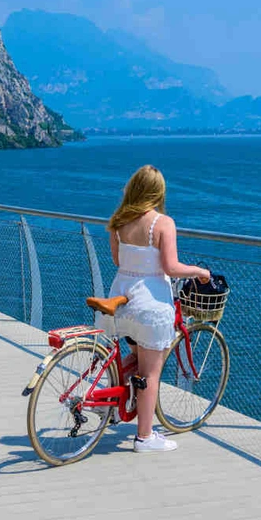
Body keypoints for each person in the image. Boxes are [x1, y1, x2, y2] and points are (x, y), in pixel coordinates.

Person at [100, 165, 211, 453]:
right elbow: (171, 268)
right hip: (150, 305)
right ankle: (145, 437)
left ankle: (105, 395)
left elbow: (116, 260)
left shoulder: (117, 222)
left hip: (122, 299)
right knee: (151, 373)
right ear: (157, 192)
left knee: (136, 358)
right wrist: (199, 271)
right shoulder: (163, 223)